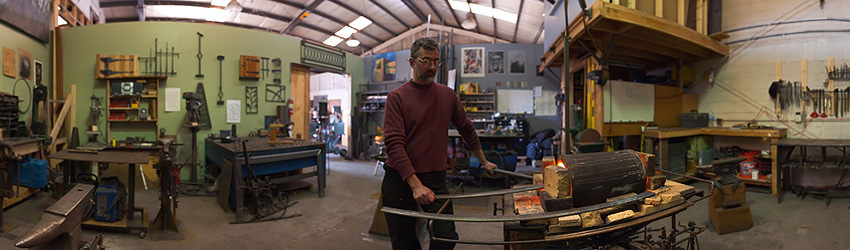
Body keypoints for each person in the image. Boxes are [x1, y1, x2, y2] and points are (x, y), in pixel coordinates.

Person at [382, 37, 498, 250]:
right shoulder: (396, 97)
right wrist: (415, 184)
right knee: (404, 241)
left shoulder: (447, 95)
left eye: (436, 61)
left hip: (435, 176)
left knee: (446, 237)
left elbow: (466, 129)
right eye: (426, 60)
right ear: (411, 62)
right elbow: (394, 144)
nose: (432, 66)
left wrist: (484, 161)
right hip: (400, 178)